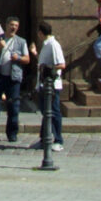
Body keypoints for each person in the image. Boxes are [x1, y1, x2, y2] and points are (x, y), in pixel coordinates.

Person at [0, 26, 27, 142]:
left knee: (13, 107)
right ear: (6, 26)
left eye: (16, 26)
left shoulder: (21, 42)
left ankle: (12, 133)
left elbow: (27, 59)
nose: (13, 27)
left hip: (13, 78)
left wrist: (18, 58)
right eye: (11, 25)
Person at [35, 22, 67, 151]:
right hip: (44, 84)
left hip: (52, 84)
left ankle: (58, 140)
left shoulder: (53, 45)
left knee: (53, 112)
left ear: (41, 33)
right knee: (45, 111)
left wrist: (47, 68)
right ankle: (44, 138)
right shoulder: (45, 45)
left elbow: (61, 64)